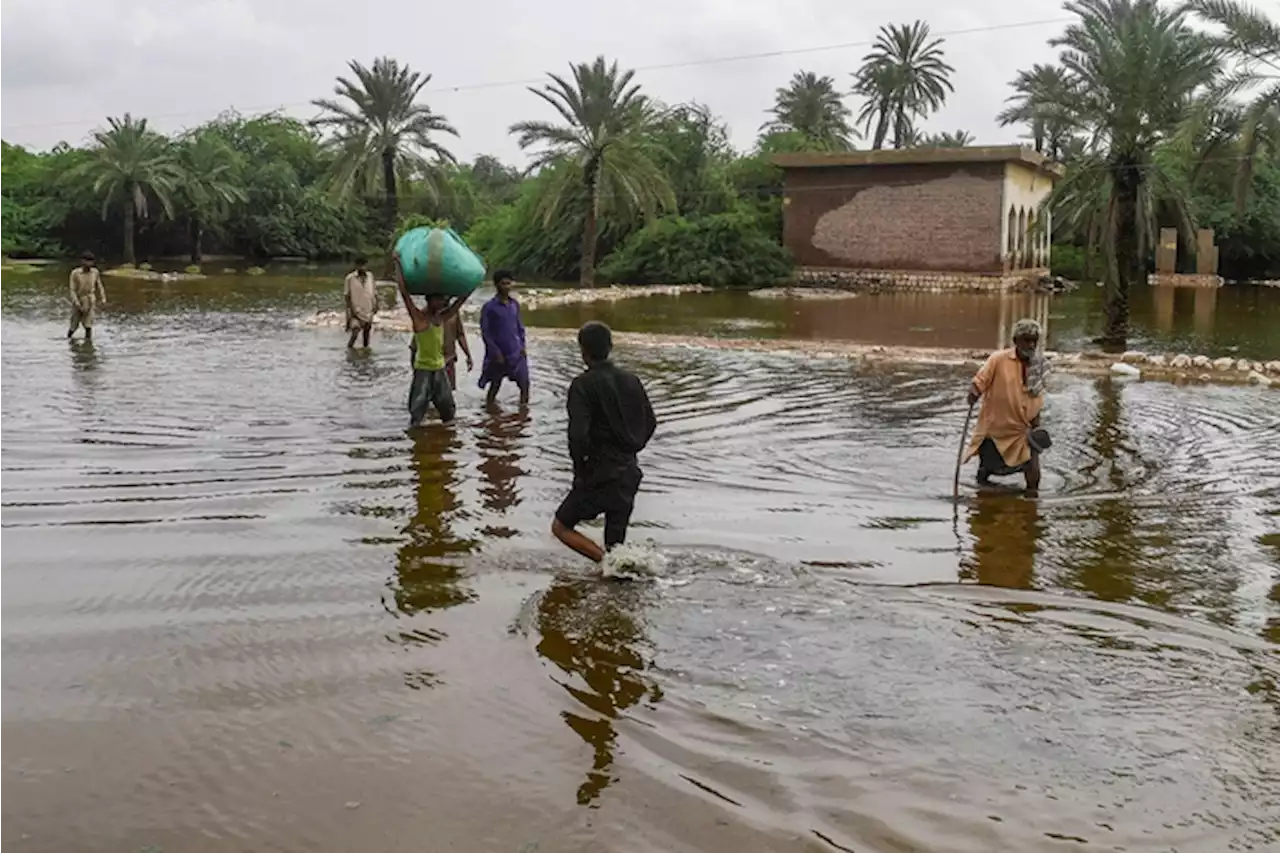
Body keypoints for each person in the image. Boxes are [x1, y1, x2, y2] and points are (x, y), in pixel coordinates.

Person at [552, 322, 657, 563]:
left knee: (561, 527)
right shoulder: (632, 380)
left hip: (600, 472)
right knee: (616, 544)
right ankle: (617, 579)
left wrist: (580, 472)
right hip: (629, 472)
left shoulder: (582, 385)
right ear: (610, 347)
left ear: (583, 351)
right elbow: (650, 423)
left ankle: (609, 566)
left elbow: (577, 436)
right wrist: (631, 449)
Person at [964, 318, 1052, 494]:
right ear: (1016, 341)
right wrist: (974, 392)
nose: (1031, 344)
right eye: (1026, 340)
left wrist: (1037, 426)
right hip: (996, 427)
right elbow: (980, 381)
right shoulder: (998, 360)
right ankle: (982, 495)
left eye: (1034, 340)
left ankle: (1032, 501)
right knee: (986, 469)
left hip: (1023, 427)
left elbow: (1037, 397)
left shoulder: (1041, 365)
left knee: (1032, 463)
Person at [392, 255, 471, 427]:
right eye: (438, 299)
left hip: (440, 369)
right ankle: (417, 444)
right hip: (423, 370)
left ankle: (444, 442)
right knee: (417, 409)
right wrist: (398, 265)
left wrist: (471, 280)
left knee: (448, 411)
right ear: (429, 300)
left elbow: (459, 302)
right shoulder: (419, 318)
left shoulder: (442, 318)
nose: (441, 302)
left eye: (442, 299)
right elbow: (404, 293)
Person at [478, 269, 530, 406]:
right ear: (496, 285)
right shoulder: (489, 307)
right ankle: (490, 410)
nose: (507, 287)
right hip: (499, 354)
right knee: (495, 385)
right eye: (503, 284)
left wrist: (523, 346)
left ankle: (523, 412)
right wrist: (495, 352)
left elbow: (520, 328)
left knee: (525, 385)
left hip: (516, 352)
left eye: (509, 283)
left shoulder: (514, 305)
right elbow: (486, 333)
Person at [67, 252, 106, 341]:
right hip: (79, 299)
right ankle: (69, 340)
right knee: (74, 324)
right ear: (82, 261)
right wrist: (77, 303)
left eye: (91, 262)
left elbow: (99, 285)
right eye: (87, 261)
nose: (89, 264)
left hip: (90, 299)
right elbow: (72, 290)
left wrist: (103, 298)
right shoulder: (75, 273)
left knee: (88, 325)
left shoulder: (95, 272)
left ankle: (88, 345)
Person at [344, 257, 377, 349]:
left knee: (366, 333)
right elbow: (347, 296)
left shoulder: (370, 276)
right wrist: (351, 311)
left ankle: (366, 352)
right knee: (355, 331)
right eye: (360, 265)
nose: (362, 267)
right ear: (356, 266)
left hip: (368, 309)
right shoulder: (350, 278)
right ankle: (349, 351)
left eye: (364, 265)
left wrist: (376, 305)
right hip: (356, 310)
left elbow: (374, 292)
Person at [443, 314, 473, 390]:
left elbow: (460, 335)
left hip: (448, 360)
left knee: (448, 392)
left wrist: (468, 355)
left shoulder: (453, 313)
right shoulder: (426, 314)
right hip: (429, 363)